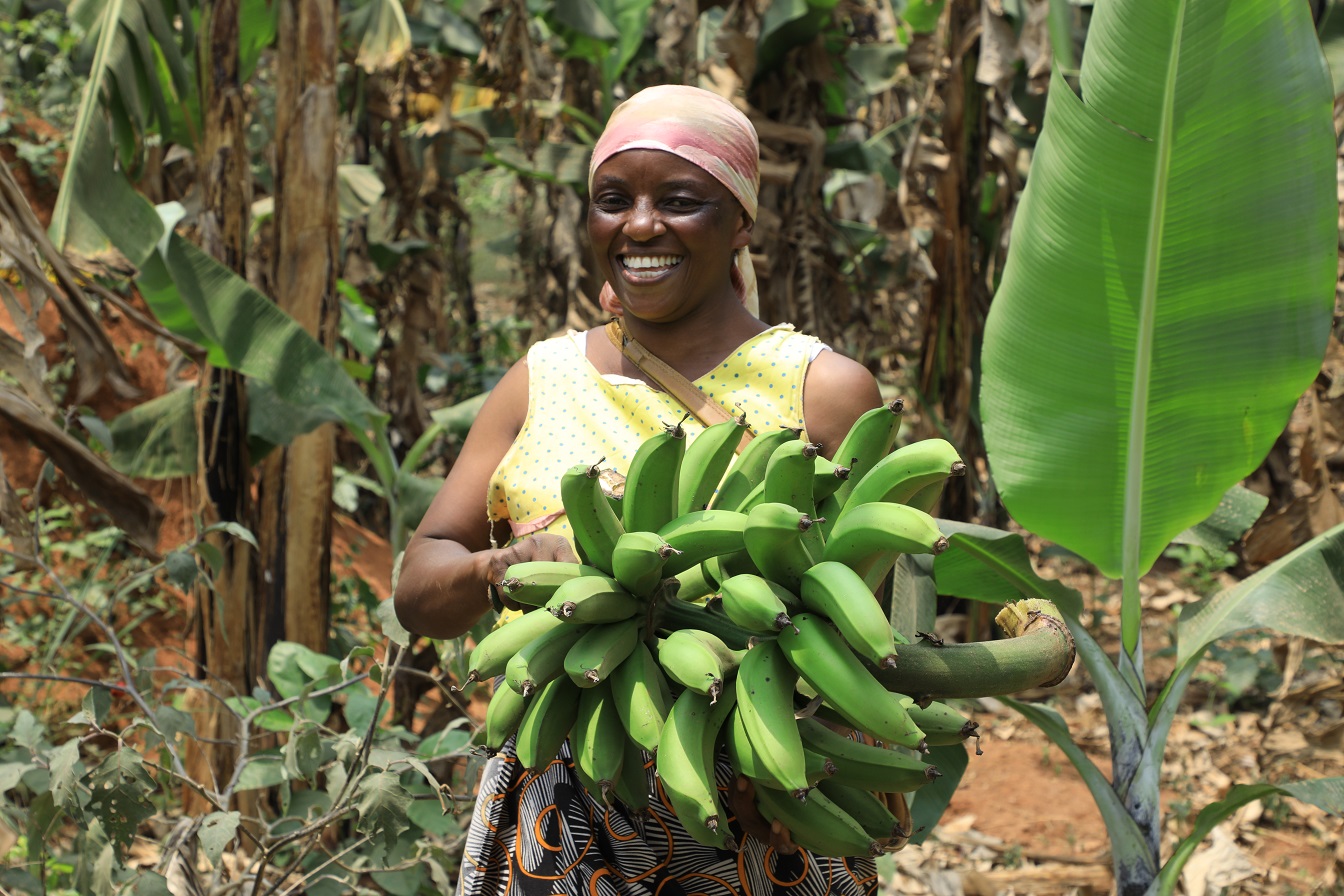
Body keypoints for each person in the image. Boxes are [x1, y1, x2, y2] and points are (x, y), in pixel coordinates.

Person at [394, 84, 885, 896]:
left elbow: (871, 634)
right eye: (613, 200)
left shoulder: (822, 391)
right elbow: (419, 584)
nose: (641, 225)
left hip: (761, 809)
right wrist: (495, 568)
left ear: (741, 220)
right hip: (562, 807)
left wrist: (800, 763)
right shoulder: (541, 380)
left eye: (680, 200)